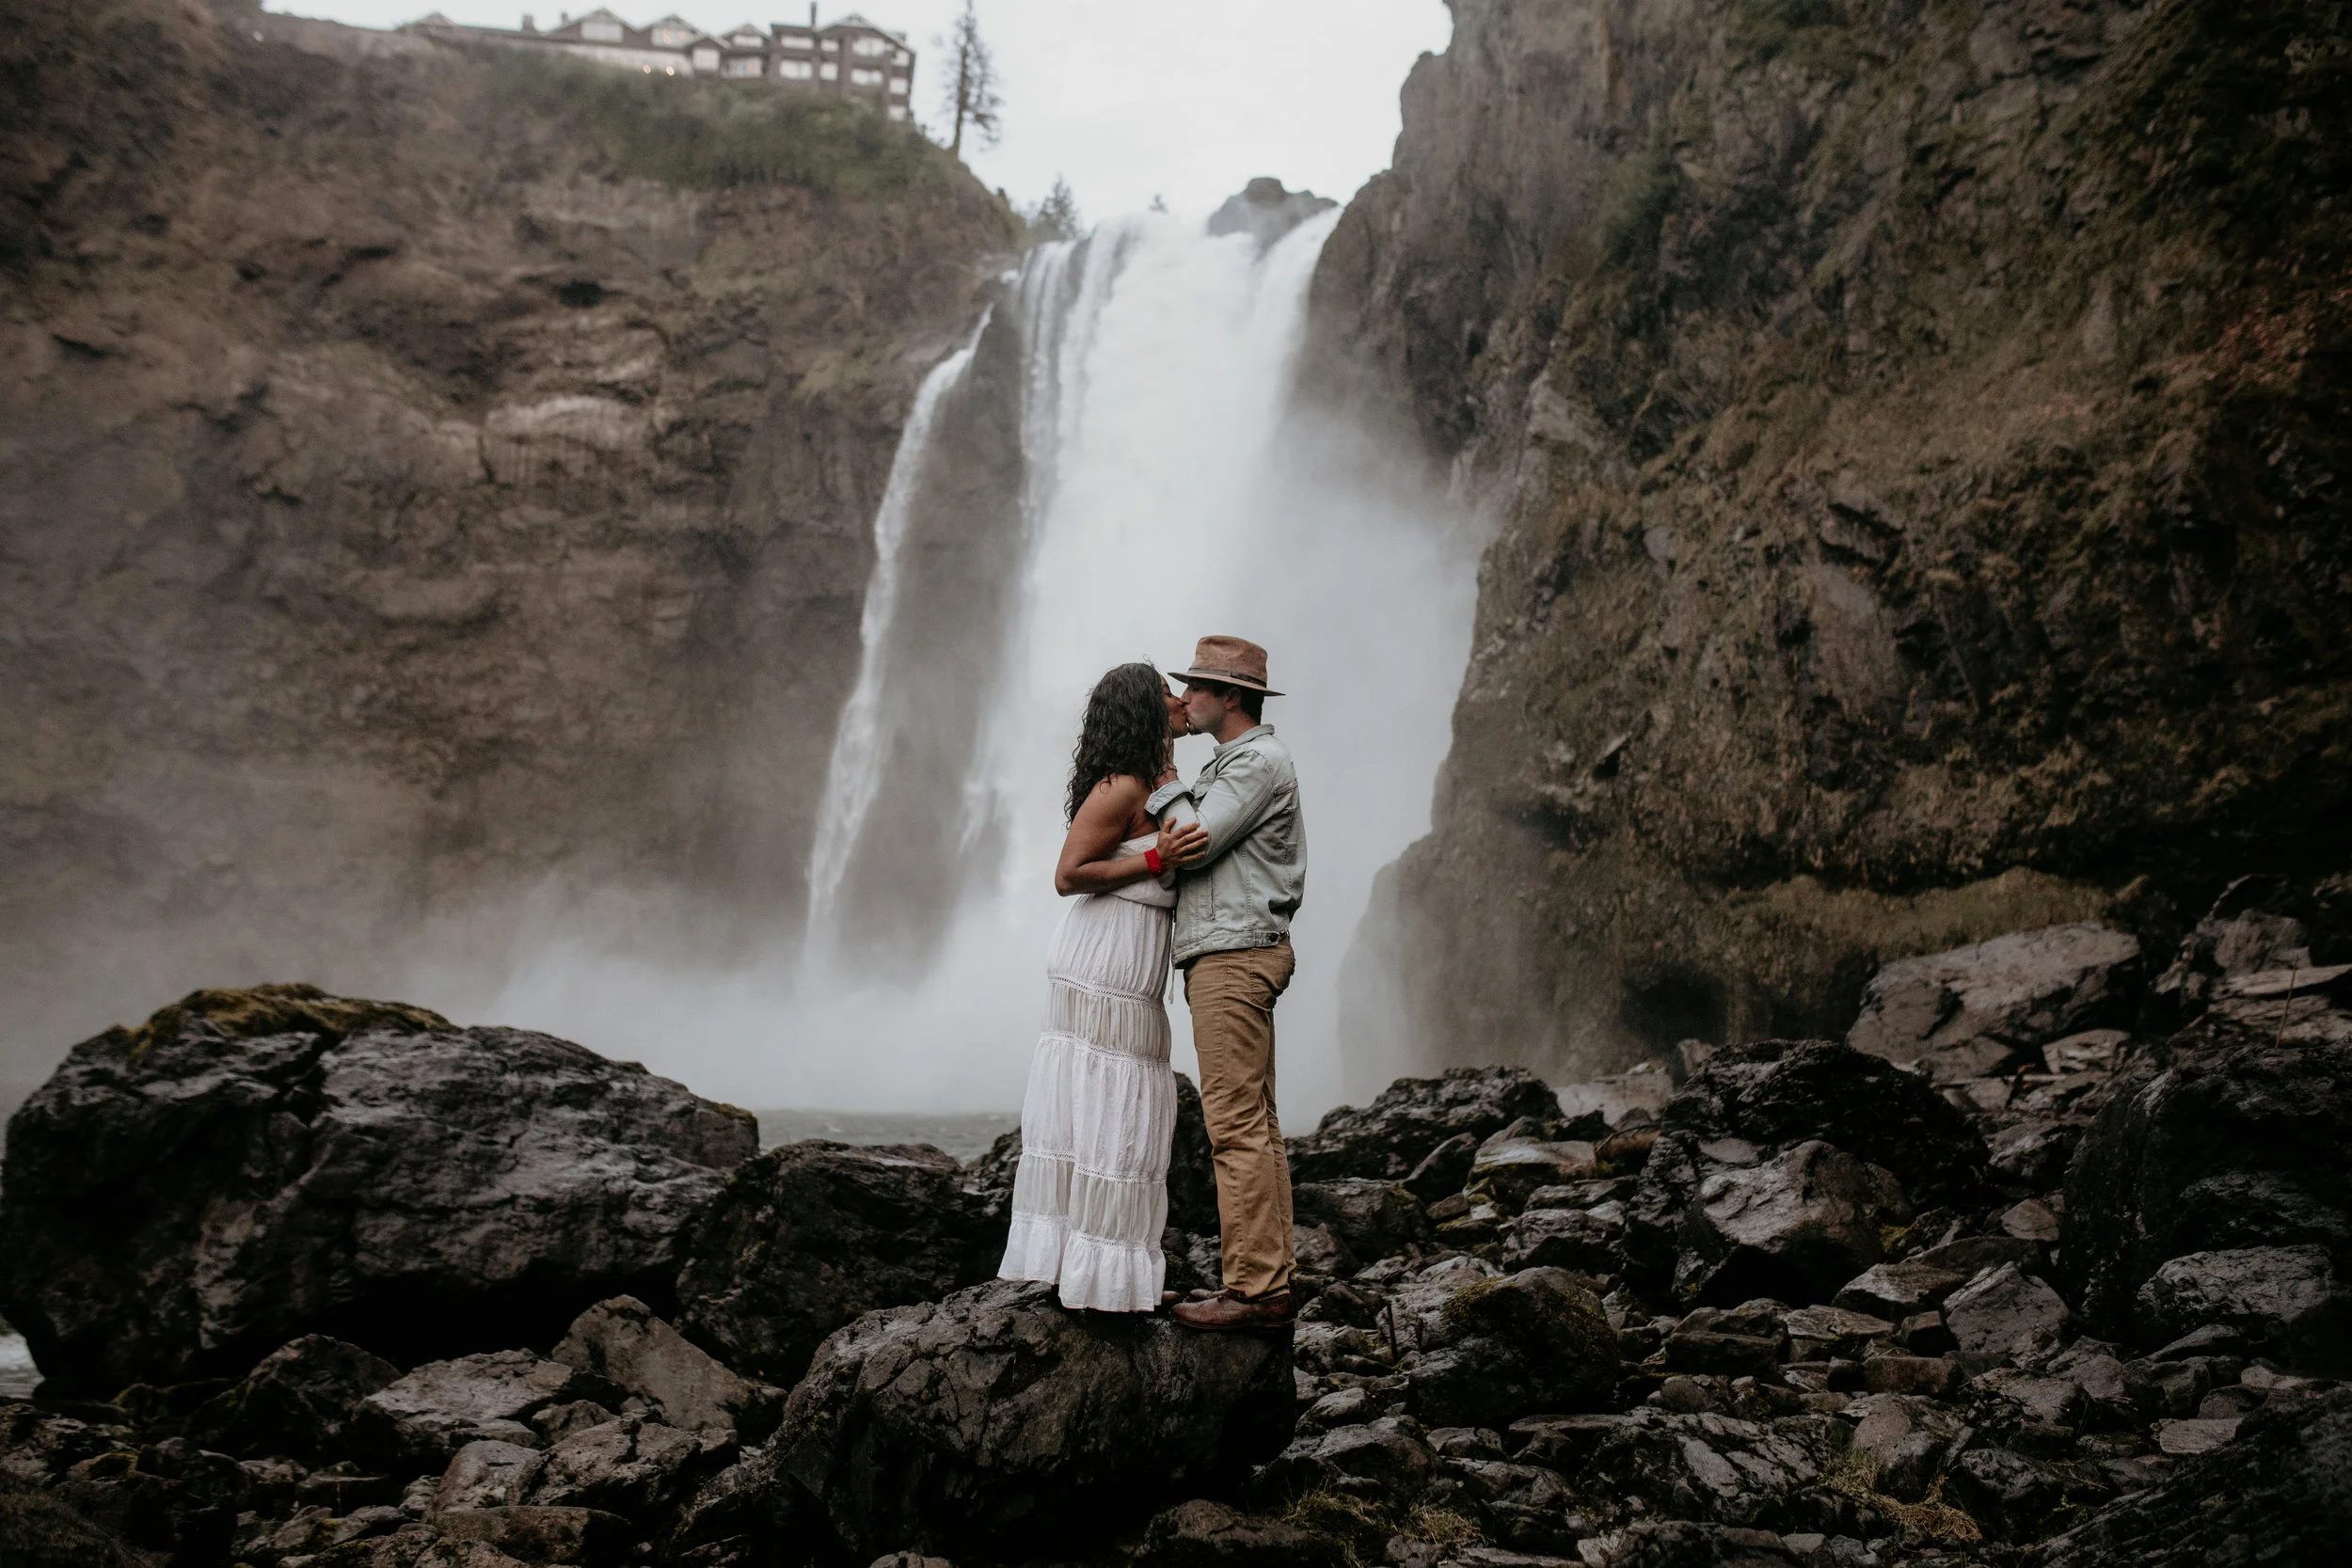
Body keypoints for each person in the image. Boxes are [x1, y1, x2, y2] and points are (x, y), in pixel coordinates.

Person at [997, 662, 1208, 1312]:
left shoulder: (1157, 784)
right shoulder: (1121, 787)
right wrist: (1155, 859)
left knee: (1119, 1113)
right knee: (1103, 1108)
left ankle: (1104, 1273)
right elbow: (1068, 874)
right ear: (1144, 710)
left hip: (1129, 963)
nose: (1179, 701)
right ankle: (1083, 1272)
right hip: (1101, 957)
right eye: (1166, 693)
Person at [1150, 636, 1307, 1332]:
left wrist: (1159, 766)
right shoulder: (1236, 762)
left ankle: (1254, 1291)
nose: (1184, 698)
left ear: (1231, 697)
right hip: (1237, 951)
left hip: (1234, 956)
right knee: (1257, 1122)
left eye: (1196, 688)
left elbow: (1193, 841)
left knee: (1234, 1124)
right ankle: (1269, 1277)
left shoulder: (1255, 763)